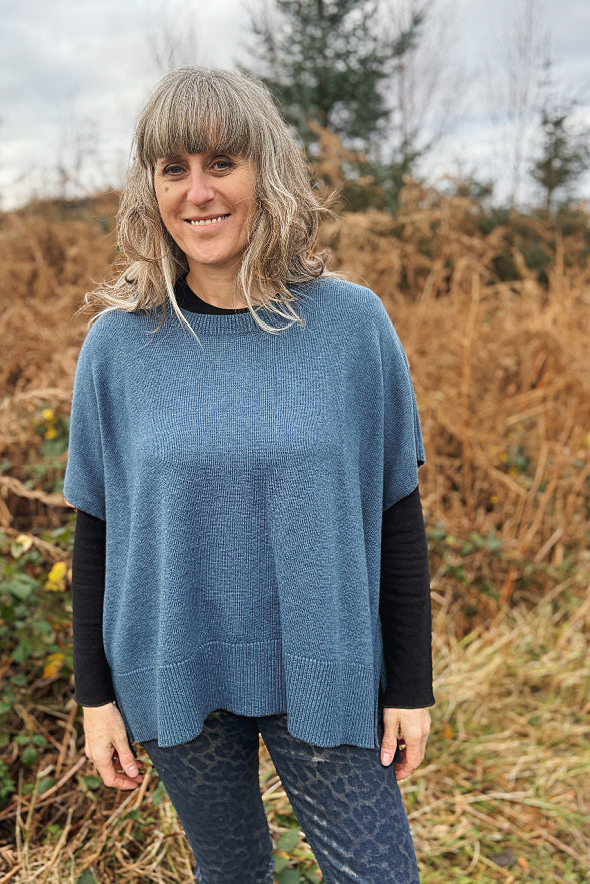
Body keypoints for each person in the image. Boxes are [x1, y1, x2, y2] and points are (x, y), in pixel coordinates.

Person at [64, 66, 434, 884]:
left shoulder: (351, 325)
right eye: (174, 169)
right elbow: (97, 529)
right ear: (150, 190)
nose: (199, 193)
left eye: (222, 163)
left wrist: (411, 686)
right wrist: (96, 700)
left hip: (327, 665)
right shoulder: (118, 347)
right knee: (229, 872)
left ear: (267, 171)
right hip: (173, 667)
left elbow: (396, 510)